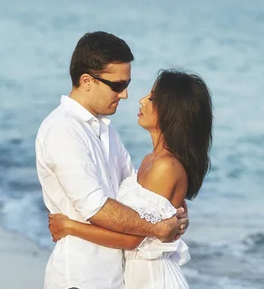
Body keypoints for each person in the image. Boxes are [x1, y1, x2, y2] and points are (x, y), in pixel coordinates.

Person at [36, 32, 189, 289]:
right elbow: (95, 207)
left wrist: (175, 211)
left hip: (117, 277)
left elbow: (136, 192)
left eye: (126, 84)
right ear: (87, 81)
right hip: (81, 277)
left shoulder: (106, 130)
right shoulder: (63, 130)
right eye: (118, 85)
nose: (125, 94)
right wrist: (157, 228)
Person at [49, 69, 213, 289]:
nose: (141, 100)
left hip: (155, 280)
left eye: (152, 98)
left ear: (171, 112)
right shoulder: (150, 160)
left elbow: (133, 238)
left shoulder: (166, 167)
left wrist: (69, 226)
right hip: (136, 278)